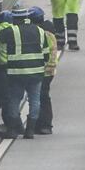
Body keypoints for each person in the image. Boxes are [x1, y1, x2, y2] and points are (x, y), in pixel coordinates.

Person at [0, 7, 49, 139]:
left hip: (16, 73)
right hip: (36, 73)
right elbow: (46, 55)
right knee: (34, 100)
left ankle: (12, 129)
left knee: (15, 99)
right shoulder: (40, 31)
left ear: (14, 19)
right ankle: (30, 130)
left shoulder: (11, 31)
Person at [29, 7, 58, 135]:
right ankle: (42, 124)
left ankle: (44, 124)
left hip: (44, 71)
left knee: (42, 97)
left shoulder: (42, 34)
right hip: (49, 70)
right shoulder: (48, 32)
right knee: (42, 96)